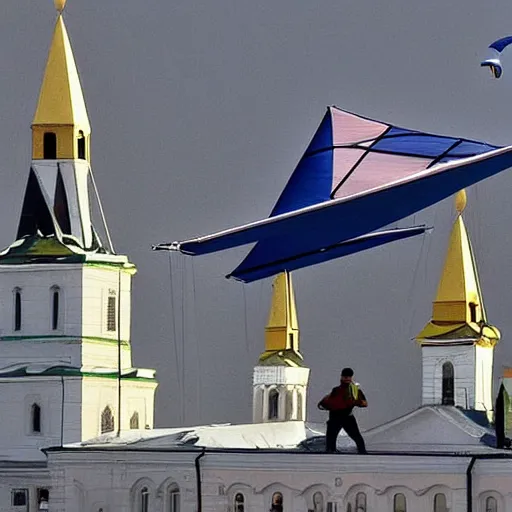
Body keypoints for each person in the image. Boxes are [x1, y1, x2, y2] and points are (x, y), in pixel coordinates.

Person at [318, 367, 368, 454]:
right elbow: (325, 403)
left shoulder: (353, 390)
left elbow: (364, 403)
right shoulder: (339, 390)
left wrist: (356, 402)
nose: (347, 379)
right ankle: (362, 453)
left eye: (349, 377)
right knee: (332, 440)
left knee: (355, 437)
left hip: (343, 417)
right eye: (346, 377)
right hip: (339, 417)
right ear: (342, 377)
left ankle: (362, 453)